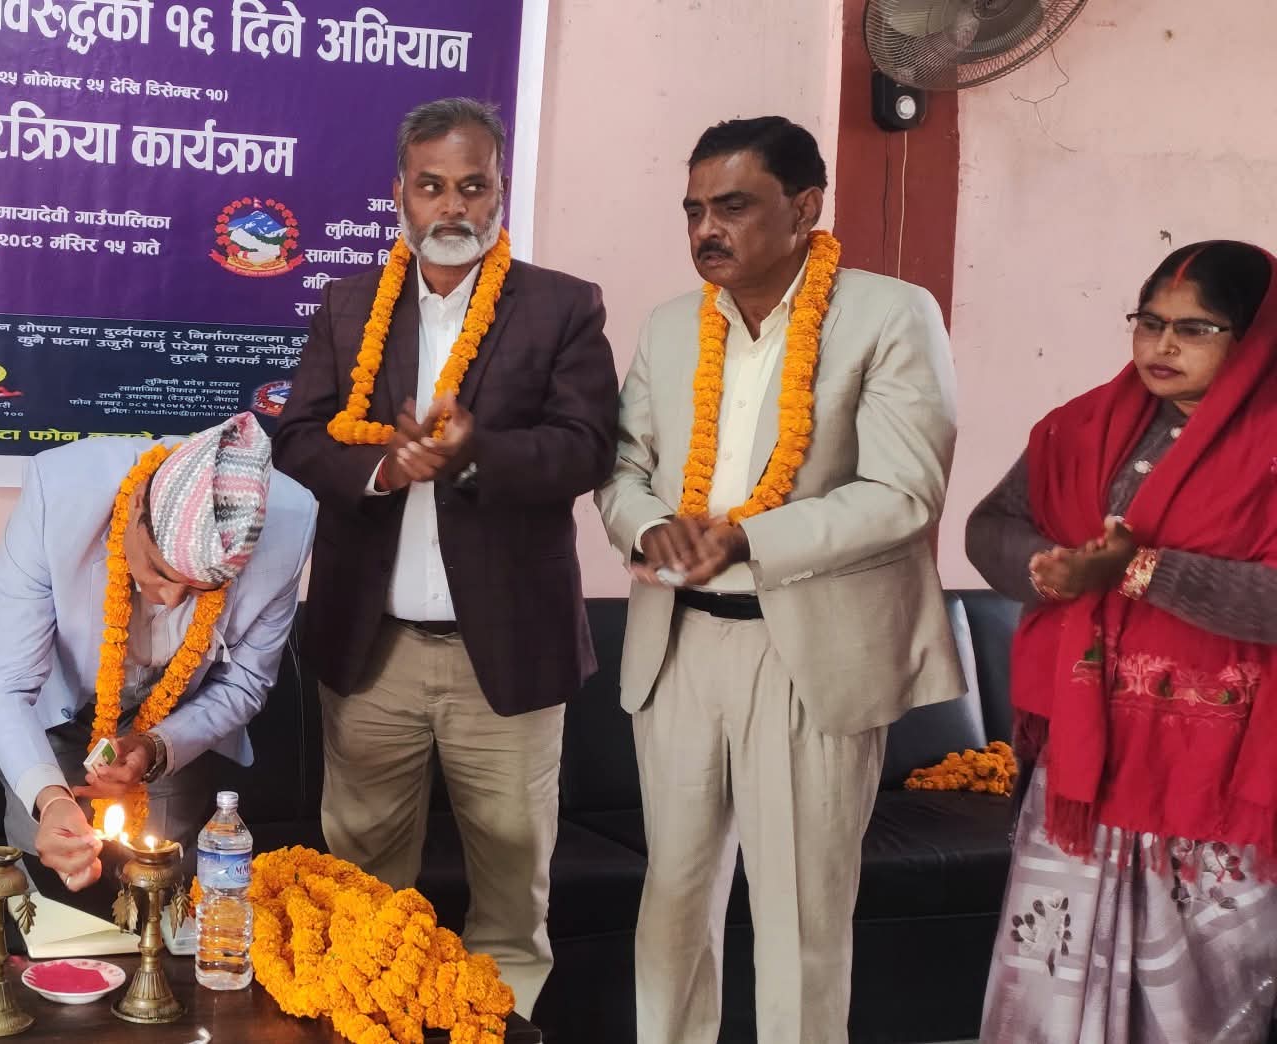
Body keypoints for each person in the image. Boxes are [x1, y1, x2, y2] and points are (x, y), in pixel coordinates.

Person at [595, 116, 963, 1044]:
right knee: (672, 902)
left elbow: (903, 494)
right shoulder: (671, 326)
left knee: (801, 919)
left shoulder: (889, 314)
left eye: (732, 206)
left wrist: (746, 540)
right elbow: (621, 466)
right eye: (693, 210)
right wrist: (650, 525)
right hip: (677, 643)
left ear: (805, 209)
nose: (705, 230)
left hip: (808, 651)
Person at [271, 96, 617, 1005]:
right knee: (361, 892)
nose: (453, 206)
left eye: (473, 186)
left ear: (500, 191)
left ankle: (496, 1027)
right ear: (400, 193)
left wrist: (473, 453)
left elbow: (586, 449)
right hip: (371, 651)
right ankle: (364, 1023)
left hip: (507, 653)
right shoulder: (348, 306)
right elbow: (298, 437)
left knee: (510, 896)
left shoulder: (561, 305)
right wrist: (385, 467)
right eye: (432, 186)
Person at [967, 240, 1277, 1043]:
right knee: (1055, 976)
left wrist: (1139, 570)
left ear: (1254, 337)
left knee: (1203, 1002)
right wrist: (1050, 566)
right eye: (1149, 322)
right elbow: (990, 525)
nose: (1162, 345)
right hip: (1086, 758)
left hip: (1219, 773)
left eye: (1195, 328)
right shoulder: (1086, 428)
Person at [0, 412, 313, 901]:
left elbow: (245, 683)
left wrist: (155, 748)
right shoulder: (59, 494)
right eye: (160, 571)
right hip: (52, 708)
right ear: (139, 503)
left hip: (175, 719)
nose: (170, 599)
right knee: (48, 891)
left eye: (198, 591)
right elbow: (7, 685)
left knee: (159, 887)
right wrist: (51, 800)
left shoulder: (291, 524)